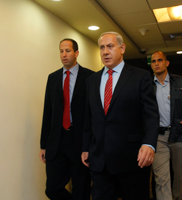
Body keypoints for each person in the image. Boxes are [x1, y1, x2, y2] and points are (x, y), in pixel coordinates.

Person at [81, 32, 159, 200]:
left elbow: (150, 115)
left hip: (131, 159)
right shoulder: (91, 80)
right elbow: (89, 118)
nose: (105, 52)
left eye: (110, 46)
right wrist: (86, 147)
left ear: (122, 48)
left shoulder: (140, 76)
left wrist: (149, 144)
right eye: (102, 47)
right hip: (99, 160)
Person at [39, 39, 94, 200]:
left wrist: (91, 144)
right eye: (61, 51)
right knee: (52, 189)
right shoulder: (53, 78)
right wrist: (44, 144)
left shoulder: (90, 77)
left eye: (68, 51)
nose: (64, 55)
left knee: (81, 189)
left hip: (80, 142)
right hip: (57, 141)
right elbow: (47, 112)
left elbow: (93, 113)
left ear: (76, 53)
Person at [150, 51, 182, 199]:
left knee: (180, 177)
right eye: (153, 61)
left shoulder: (181, 82)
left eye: (160, 60)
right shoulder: (147, 85)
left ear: (167, 63)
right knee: (161, 178)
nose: (157, 63)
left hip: (180, 134)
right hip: (158, 137)